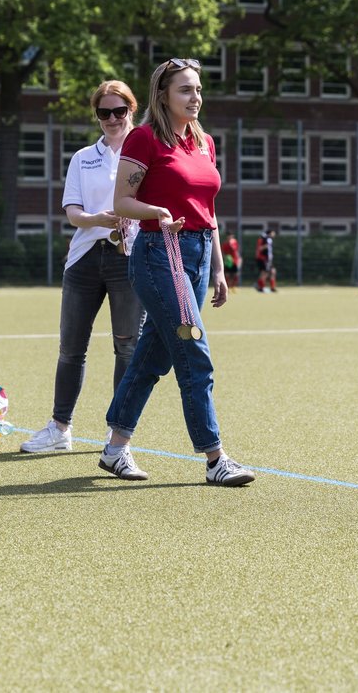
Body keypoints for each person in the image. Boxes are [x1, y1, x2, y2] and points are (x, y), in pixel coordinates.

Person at [100, 57, 254, 487]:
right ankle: (215, 458)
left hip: (200, 253)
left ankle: (115, 449)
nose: (195, 97)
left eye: (199, 89)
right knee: (194, 351)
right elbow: (122, 203)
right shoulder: (144, 139)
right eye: (185, 90)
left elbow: (210, 210)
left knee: (155, 354)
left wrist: (220, 268)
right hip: (158, 252)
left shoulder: (205, 143)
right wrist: (158, 212)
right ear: (163, 96)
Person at [20, 80, 145, 453]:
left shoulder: (146, 152)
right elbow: (73, 212)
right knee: (71, 348)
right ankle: (60, 429)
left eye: (118, 111)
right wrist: (97, 218)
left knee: (126, 348)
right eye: (104, 112)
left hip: (129, 258)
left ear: (131, 111)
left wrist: (126, 220)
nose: (111, 119)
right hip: (84, 259)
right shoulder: (82, 158)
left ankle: (117, 431)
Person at [255, 229, 277, 293]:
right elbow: (260, 248)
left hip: (269, 259)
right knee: (264, 273)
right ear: (270, 233)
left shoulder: (269, 240)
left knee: (272, 271)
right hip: (264, 259)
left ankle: (272, 288)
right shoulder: (265, 239)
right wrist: (266, 246)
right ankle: (260, 287)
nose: (274, 234)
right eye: (273, 233)